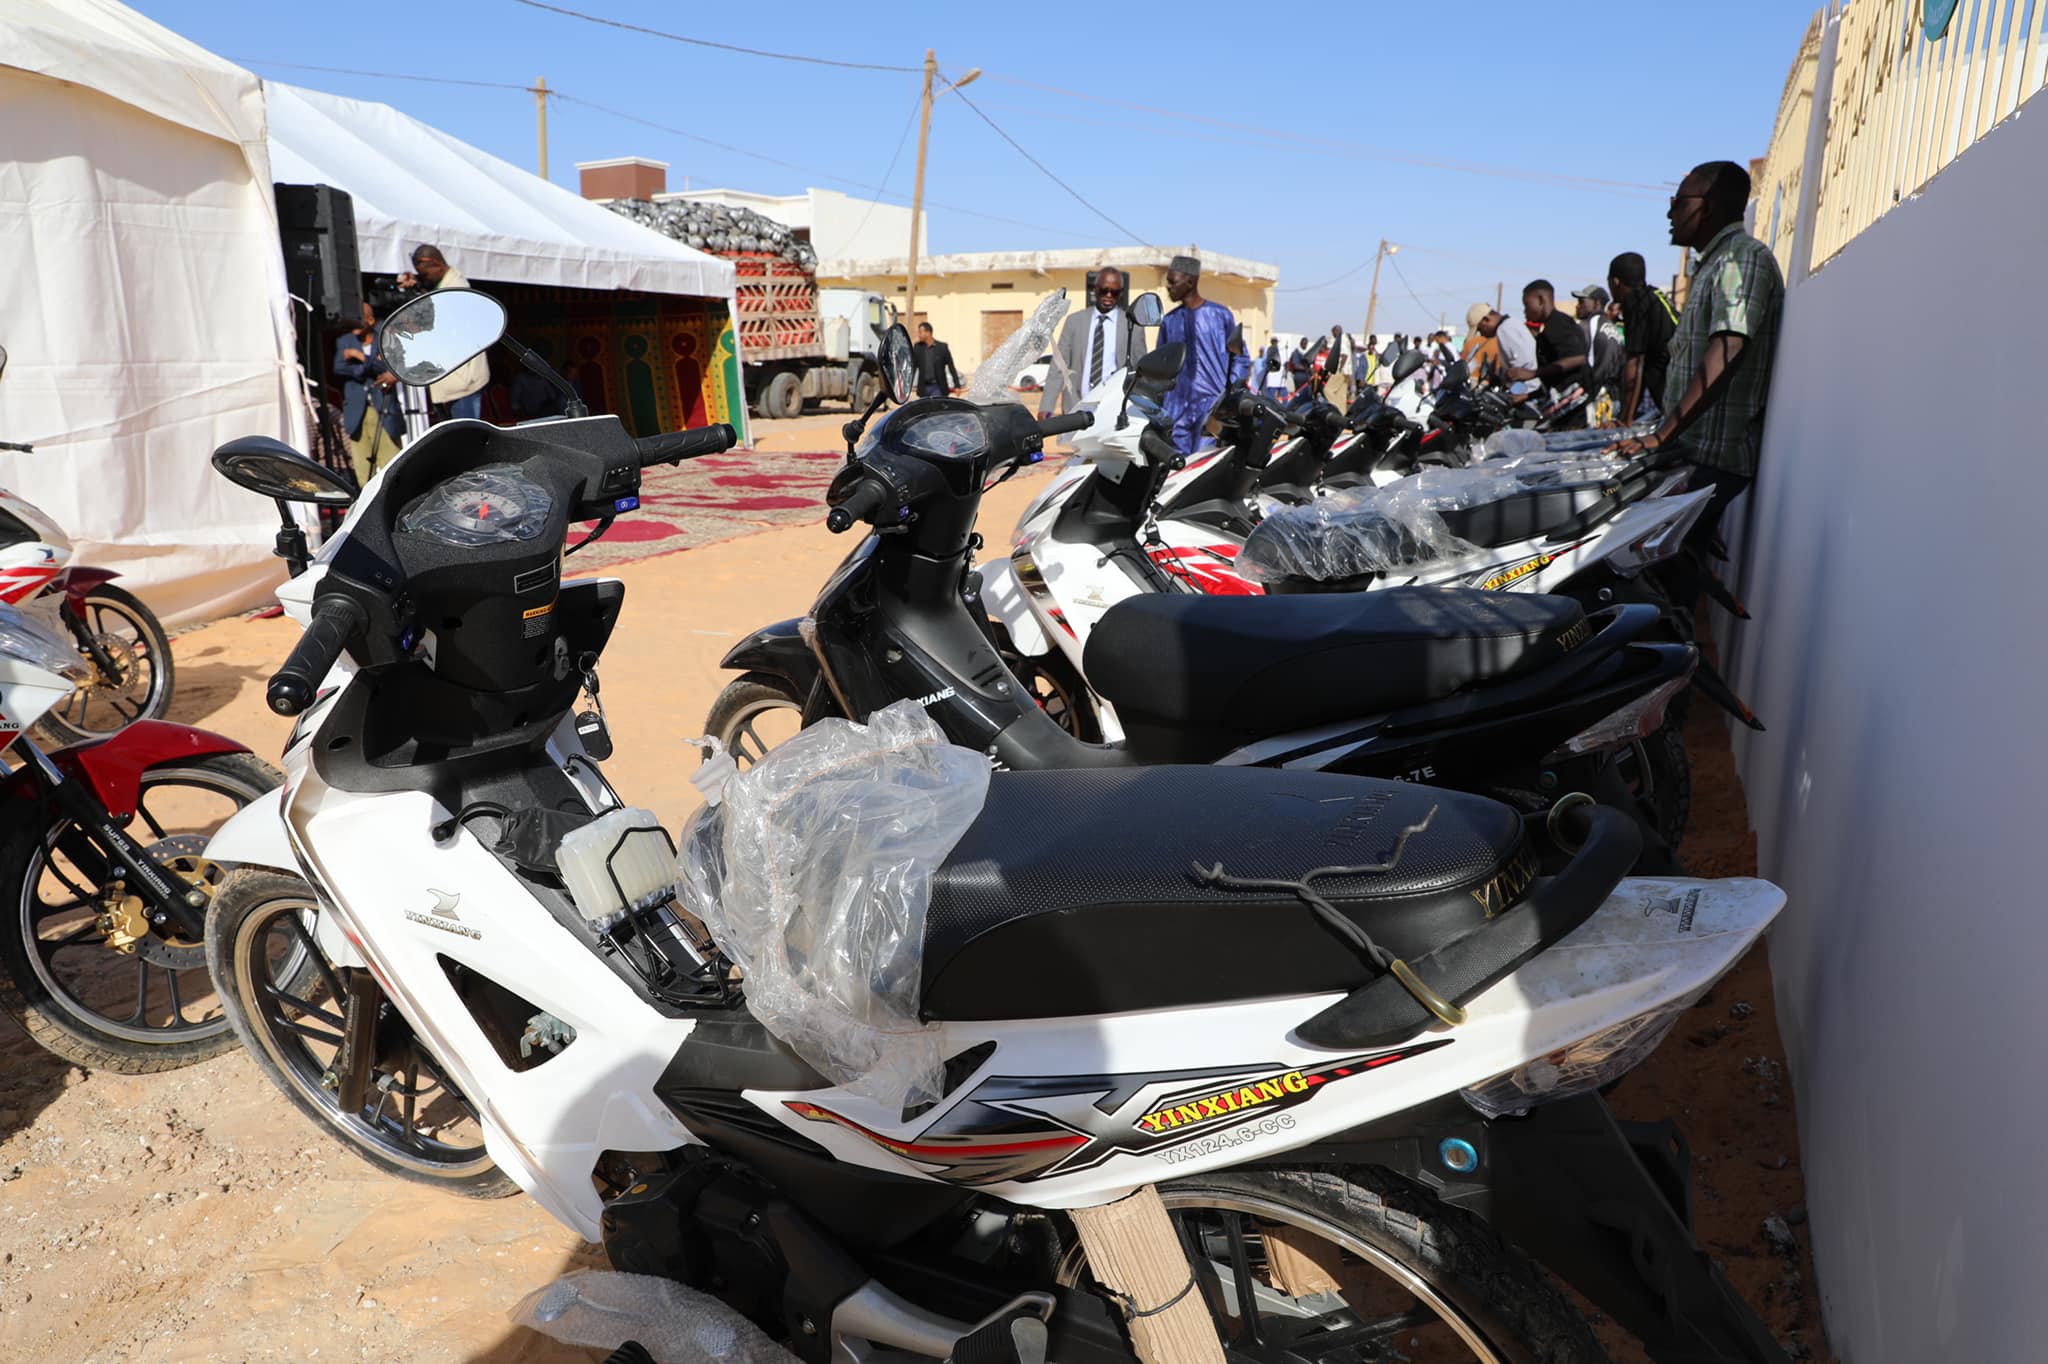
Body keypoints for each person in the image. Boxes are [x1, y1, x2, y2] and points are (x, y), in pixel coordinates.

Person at [1612, 160, 1785, 559]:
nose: (1670, 213)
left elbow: (1727, 349)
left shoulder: (1741, 260)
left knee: (1656, 589)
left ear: (1705, 206)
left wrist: (1661, 435)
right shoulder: (1714, 263)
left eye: (1678, 202)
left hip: (1709, 460)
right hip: (1688, 454)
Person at [1040, 266, 1152, 416]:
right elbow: (1059, 366)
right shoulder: (1074, 322)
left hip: (1114, 410)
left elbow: (1140, 371)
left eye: (1115, 292)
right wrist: (1046, 407)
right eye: (1104, 290)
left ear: (1121, 294)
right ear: (1095, 289)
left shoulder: (1132, 326)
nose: (1109, 295)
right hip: (1077, 408)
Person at [395, 244, 489, 422]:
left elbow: (436, 326)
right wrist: (416, 286)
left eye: (424, 274)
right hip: (449, 383)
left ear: (435, 264)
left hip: (463, 383)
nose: (423, 278)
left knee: (467, 441)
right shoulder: (443, 285)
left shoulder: (457, 289)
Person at [1157, 255, 1238, 452]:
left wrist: (1227, 396)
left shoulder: (1221, 316)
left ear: (1190, 282)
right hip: (1177, 411)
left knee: (1205, 466)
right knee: (1177, 471)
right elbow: (1160, 366)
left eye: (1172, 281)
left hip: (1211, 410)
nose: (1167, 286)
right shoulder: (1169, 321)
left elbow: (1239, 359)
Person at [334, 302, 404, 487]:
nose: (354, 323)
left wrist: (360, 358)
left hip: (384, 410)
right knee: (364, 473)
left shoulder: (386, 339)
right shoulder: (344, 341)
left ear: (370, 320)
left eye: (359, 319)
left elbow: (390, 367)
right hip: (357, 414)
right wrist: (369, 366)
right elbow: (339, 367)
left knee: (393, 464)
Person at [1507, 280, 1591, 428]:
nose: (1524, 311)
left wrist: (1533, 373)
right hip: (1563, 406)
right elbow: (1556, 378)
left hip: (1574, 410)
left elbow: (1579, 359)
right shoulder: (1549, 326)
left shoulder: (1557, 324)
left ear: (1541, 300)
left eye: (1527, 305)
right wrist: (1527, 396)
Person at [1608, 250, 1678, 426]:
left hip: (1671, 386)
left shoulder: (1635, 302)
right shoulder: (1654, 296)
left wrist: (1624, 420)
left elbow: (1635, 362)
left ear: (1615, 282)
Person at [1572, 284, 1627, 422]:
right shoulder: (1612, 327)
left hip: (1595, 398)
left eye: (1582, 302)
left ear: (1597, 303)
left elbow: (1581, 362)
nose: (1577, 306)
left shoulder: (1587, 326)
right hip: (1615, 398)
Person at [1466, 302, 1536, 398]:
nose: (1481, 334)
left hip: (1526, 391)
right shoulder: (1511, 324)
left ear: (1486, 320)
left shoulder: (1505, 330)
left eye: (1479, 329)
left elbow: (1523, 366)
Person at [911, 322, 961, 399]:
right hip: (924, 388)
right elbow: (913, 368)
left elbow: (951, 367)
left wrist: (957, 385)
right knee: (925, 409)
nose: (919, 335)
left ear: (928, 333)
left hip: (938, 387)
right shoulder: (917, 348)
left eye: (920, 332)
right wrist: (907, 387)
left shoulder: (942, 348)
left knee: (937, 408)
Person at [1322, 324, 1353, 409]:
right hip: (1347, 371)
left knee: (1327, 390)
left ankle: (1336, 408)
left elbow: (1344, 355)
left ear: (1336, 331)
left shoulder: (1341, 339)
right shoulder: (1346, 339)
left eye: (1334, 334)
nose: (1334, 336)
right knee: (1341, 395)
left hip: (1341, 370)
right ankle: (1342, 414)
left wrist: (1339, 369)